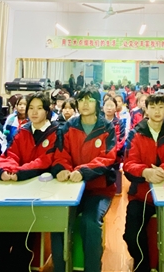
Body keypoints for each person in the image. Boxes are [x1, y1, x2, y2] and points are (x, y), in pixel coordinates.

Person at [50, 87, 117, 272]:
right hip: (70, 188)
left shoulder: (106, 127)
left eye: (90, 100)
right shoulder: (69, 126)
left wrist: (83, 171)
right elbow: (61, 153)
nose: (85, 104)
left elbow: (107, 158)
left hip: (99, 190)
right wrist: (62, 169)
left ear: (97, 103)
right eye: (81, 100)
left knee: (90, 222)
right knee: (58, 221)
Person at [123, 94, 164, 272]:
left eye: (161, 107)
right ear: (146, 109)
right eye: (152, 107)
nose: (157, 111)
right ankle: (143, 265)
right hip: (141, 196)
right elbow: (129, 164)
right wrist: (145, 172)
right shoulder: (136, 133)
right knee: (132, 236)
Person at [0, 92, 59, 272]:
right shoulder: (23, 131)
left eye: (39, 108)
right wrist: (6, 170)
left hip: (40, 189)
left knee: (23, 235)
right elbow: (10, 154)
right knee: (1, 235)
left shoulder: (55, 132)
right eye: (31, 108)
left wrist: (19, 172)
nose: (34, 112)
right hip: (15, 186)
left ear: (47, 111)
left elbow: (45, 161)